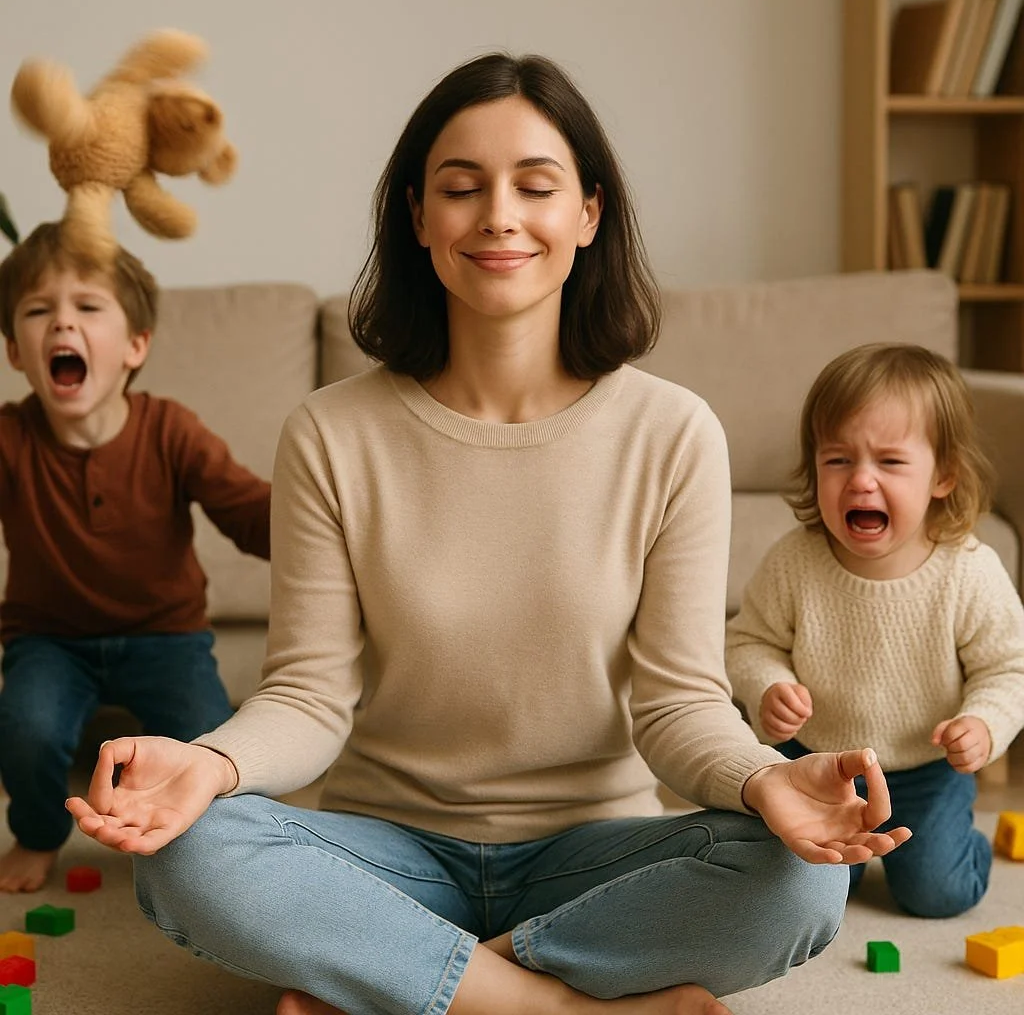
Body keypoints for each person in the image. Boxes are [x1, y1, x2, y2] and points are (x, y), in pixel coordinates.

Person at [67, 53, 910, 1015]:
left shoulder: (673, 432)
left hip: (592, 855)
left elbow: (679, 704)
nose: (499, 216)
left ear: (589, 214)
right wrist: (211, 761)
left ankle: (399, 978)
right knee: (193, 854)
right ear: (419, 220)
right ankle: (552, 1004)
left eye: (536, 187)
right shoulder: (331, 433)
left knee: (800, 876)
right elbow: (306, 695)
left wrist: (769, 781)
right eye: (461, 188)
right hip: (390, 849)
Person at [0, 222, 271, 892]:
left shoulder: (170, 429)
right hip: (48, 641)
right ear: (14, 350)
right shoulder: (9, 438)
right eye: (39, 311)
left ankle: (195, 839)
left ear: (134, 345)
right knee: (26, 730)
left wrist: (317, 519)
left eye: (88, 307)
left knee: (209, 746)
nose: (63, 323)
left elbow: (247, 511)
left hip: (166, 637)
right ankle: (37, 833)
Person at [726, 342, 1024, 919]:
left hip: (925, 769)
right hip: (818, 761)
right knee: (804, 882)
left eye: (889, 462)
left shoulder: (967, 570)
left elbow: (1008, 666)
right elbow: (749, 640)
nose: (860, 481)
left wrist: (985, 724)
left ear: (943, 476)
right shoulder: (796, 561)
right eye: (837, 460)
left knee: (938, 895)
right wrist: (769, 685)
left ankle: (966, 845)